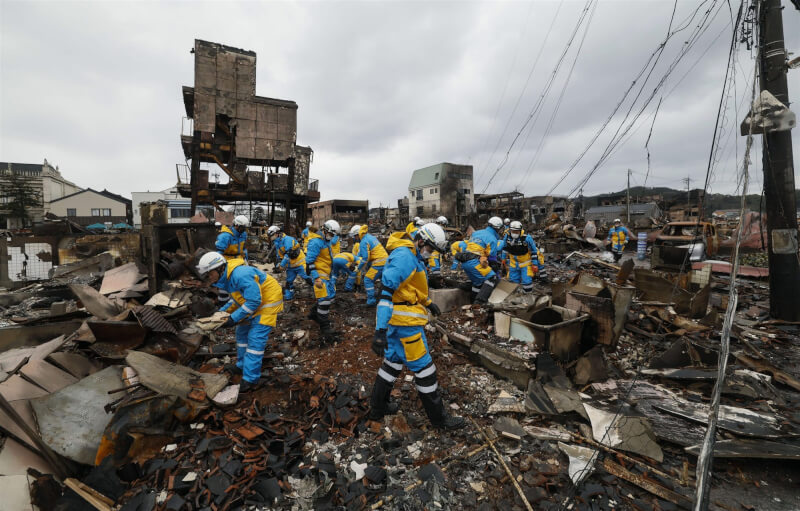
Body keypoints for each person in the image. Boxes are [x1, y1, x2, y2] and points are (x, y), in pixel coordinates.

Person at [368, 223, 465, 430]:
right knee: (425, 370)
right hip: (406, 326)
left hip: (399, 323)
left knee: (392, 364)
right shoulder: (405, 257)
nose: (430, 254)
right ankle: (440, 421)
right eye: (430, 249)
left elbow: (408, 288)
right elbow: (385, 293)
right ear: (420, 240)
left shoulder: (412, 255)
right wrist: (379, 330)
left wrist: (428, 302)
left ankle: (378, 407)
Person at [196, 252, 283, 392]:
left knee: (255, 341)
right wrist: (221, 314)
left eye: (209, 273)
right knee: (241, 334)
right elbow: (237, 299)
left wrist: (233, 318)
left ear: (219, 268)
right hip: (255, 302)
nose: (209, 278)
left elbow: (254, 300)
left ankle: (250, 379)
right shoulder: (228, 277)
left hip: (267, 304)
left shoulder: (240, 275)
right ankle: (241, 365)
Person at [306, 219, 340, 342]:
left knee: (330, 297)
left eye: (333, 235)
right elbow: (309, 261)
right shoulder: (316, 242)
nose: (331, 237)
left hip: (326, 275)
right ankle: (324, 327)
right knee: (324, 300)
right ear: (324, 230)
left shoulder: (325, 242)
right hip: (319, 276)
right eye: (331, 234)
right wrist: (316, 278)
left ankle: (314, 313)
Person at [268, 225, 312, 300]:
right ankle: (289, 295)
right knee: (289, 281)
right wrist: (278, 264)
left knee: (308, 278)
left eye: (271, 235)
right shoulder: (277, 243)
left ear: (276, 233)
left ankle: (320, 292)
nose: (270, 237)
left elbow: (289, 253)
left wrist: (282, 265)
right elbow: (279, 256)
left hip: (300, 263)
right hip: (291, 266)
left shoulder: (287, 239)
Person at [498, 221, 541, 293]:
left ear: (520, 230)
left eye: (516, 231)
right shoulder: (507, 236)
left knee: (527, 281)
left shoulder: (527, 238)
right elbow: (505, 248)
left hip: (525, 263)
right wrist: (503, 258)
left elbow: (533, 251)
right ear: (510, 230)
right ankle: (515, 295)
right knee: (513, 281)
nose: (514, 233)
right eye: (513, 231)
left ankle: (528, 294)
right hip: (513, 263)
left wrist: (535, 264)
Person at [353, 224, 389, 306]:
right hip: (385, 261)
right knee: (384, 280)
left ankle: (371, 301)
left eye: (354, 236)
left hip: (379, 262)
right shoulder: (370, 237)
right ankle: (383, 296)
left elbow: (365, 258)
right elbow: (368, 253)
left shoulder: (363, 241)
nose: (354, 239)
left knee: (368, 279)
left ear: (357, 235)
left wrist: (358, 268)